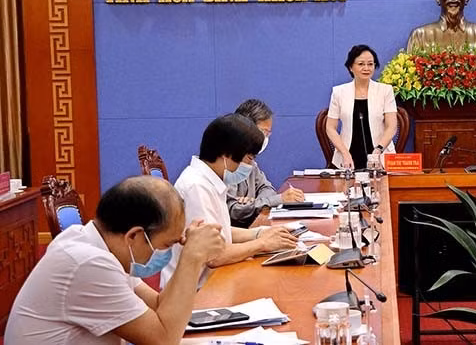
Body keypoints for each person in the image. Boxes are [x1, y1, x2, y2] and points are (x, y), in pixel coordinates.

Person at [6, 176, 225, 345]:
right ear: (134, 236)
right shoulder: (89, 263)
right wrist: (192, 258)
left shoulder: (99, 246)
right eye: (167, 245)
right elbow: (163, 339)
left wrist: (190, 255)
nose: (167, 253)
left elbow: (158, 305)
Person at [161, 114, 298, 289]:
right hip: (197, 291)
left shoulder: (210, 180)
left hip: (214, 280)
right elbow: (214, 255)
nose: (250, 165)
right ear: (226, 154)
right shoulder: (196, 186)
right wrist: (261, 244)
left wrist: (261, 233)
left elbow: (221, 231)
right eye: (249, 158)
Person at [226, 99, 305, 227]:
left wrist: (258, 201)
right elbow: (235, 210)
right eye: (263, 132)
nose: (265, 139)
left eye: (268, 134)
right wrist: (277, 200)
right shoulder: (228, 162)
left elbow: (267, 188)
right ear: (245, 128)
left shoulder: (251, 162)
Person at [326, 44, 398, 170]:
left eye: (370, 64)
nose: (366, 68)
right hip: (347, 159)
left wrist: (378, 150)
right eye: (361, 64)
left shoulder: (385, 91)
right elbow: (330, 128)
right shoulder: (339, 92)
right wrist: (344, 153)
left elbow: (391, 126)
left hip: (379, 157)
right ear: (350, 67)